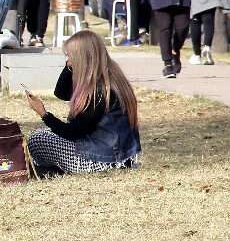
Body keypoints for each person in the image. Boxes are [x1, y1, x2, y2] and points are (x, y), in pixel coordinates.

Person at [23, 30, 142, 175]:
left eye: (71, 56)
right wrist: (69, 67)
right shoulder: (110, 76)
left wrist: (43, 114)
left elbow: (74, 133)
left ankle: (53, 170)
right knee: (45, 132)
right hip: (117, 154)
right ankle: (53, 169)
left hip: (103, 160)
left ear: (83, 58)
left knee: (37, 139)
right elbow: (61, 93)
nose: (68, 61)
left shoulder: (98, 91)